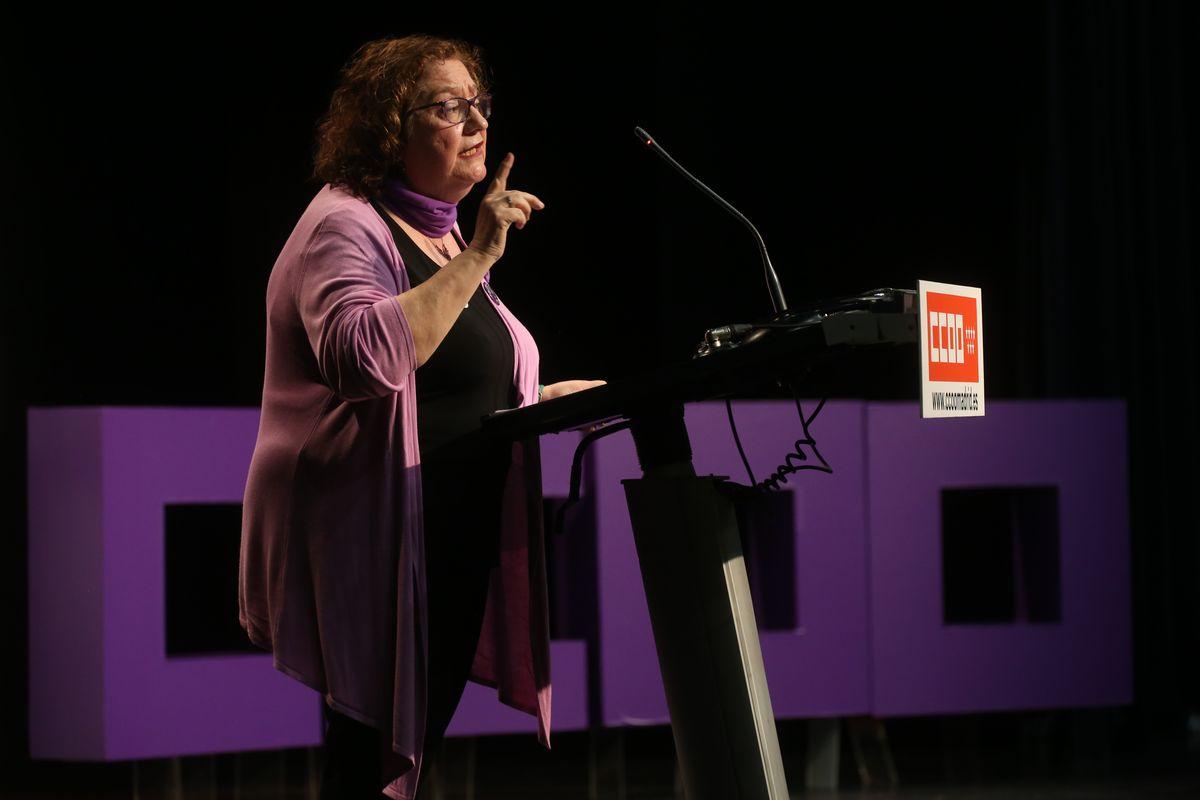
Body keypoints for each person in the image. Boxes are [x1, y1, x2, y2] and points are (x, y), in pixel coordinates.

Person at [237, 35, 603, 799]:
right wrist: (480, 256)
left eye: (479, 104)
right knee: (368, 765)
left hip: (447, 524)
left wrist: (539, 404)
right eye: (447, 106)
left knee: (401, 751)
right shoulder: (347, 224)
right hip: (375, 530)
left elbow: (446, 382)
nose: (475, 122)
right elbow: (363, 360)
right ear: (386, 127)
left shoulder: (432, 230)